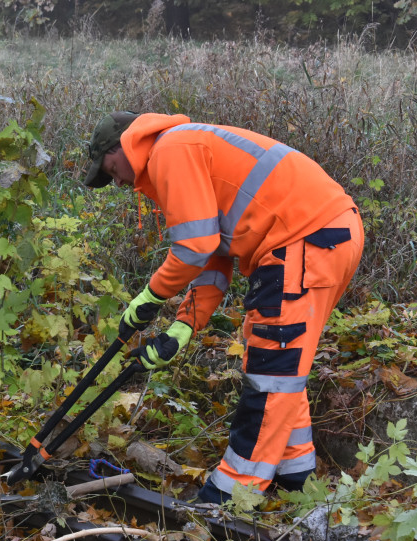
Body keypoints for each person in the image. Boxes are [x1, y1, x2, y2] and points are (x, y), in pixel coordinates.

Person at [84, 111, 364, 504]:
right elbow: (212, 257)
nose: (116, 181)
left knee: (273, 374)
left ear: (122, 146)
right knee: (278, 362)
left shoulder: (171, 150)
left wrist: (150, 296)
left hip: (305, 240)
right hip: (320, 236)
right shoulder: (179, 149)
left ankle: (231, 496)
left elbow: (193, 249)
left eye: (110, 168)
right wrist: (182, 328)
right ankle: (295, 475)